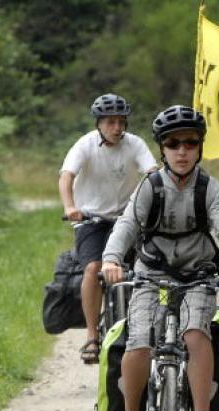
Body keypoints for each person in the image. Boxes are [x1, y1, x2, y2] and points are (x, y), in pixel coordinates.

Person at [100, 105, 219, 411]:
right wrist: (111, 259)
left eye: (190, 143)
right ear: (162, 149)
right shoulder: (150, 187)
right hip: (152, 272)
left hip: (198, 274)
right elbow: (128, 223)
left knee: (197, 333)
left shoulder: (209, 189)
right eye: (172, 144)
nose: (181, 151)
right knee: (138, 342)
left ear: (199, 147)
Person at [59, 93, 158, 364]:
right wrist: (70, 207)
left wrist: (155, 199)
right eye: (111, 122)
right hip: (91, 218)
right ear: (99, 124)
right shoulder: (85, 145)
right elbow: (66, 176)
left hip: (127, 218)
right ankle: (92, 335)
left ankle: (148, 325)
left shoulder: (134, 144)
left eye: (121, 122)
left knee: (145, 269)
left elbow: (152, 173)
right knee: (92, 268)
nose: (118, 128)